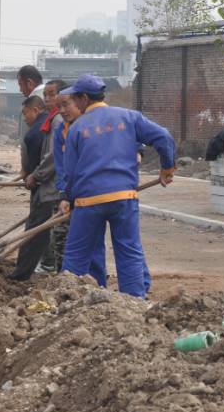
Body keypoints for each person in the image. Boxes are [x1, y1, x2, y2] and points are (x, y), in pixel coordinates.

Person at [58, 74, 175, 298]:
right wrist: (167, 168)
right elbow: (163, 136)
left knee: (77, 254)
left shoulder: (76, 128)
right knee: (128, 251)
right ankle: (134, 303)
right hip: (124, 197)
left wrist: (67, 198)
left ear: (84, 98)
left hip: (88, 201)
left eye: (75, 98)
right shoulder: (129, 117)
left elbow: (70, 172)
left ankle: (68, 300)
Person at [52, 92, 106, 280]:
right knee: (71, 243)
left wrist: (138, 152)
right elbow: (62, 168)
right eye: (58, 107)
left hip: (98, 192)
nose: (62, 111)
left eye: (66, 105)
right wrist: (65, 195)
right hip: (74, 193)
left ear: (79, 101)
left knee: (94, 243)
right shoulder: (61, 131)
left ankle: (97, 281)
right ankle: (72, 284)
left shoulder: (97, 124)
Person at [9, 95, 53, 280]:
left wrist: (33, 175)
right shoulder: (48, 122)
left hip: (44, 186)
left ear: (35, 110)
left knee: (34, 229)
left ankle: (21, 273)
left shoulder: (37, 130)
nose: (25, 117)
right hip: (45, 183)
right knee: (41, 229)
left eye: (25, 113)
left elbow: (45, 157)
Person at [25, 79, 66, 272]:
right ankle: (56, 268)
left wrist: (37, 175)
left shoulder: (58, 120)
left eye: (52, 94)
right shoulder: (52, 118)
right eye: (46, 95)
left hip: (56, 185)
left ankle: (58, 270)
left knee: (59, 233)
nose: (48, 98)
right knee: (57, 231)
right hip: (52, 183)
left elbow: (53, 156)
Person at [16, 65, 45, 140]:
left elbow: (27, 134)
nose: (20, 90)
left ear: (29, 83)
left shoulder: (34, 102)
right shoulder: (47, 96)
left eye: (20, 84)